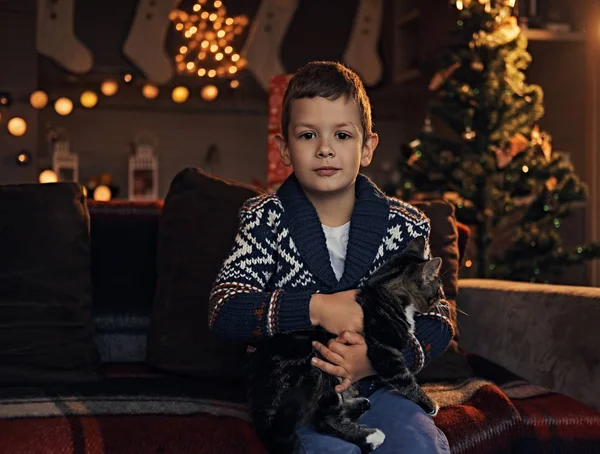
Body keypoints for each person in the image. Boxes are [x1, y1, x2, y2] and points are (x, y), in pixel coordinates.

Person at [209, 61, 453, 453]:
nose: (325, 148)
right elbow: (225, 309)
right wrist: (317, 308)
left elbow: (439, 320)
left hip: (381, 386)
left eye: (342, 134)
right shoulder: (265, 219)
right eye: (308, 135)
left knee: (417, 445)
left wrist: (376, 359)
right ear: (284, 149)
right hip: (301, 394)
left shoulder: (405, 226)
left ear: (367, 147)